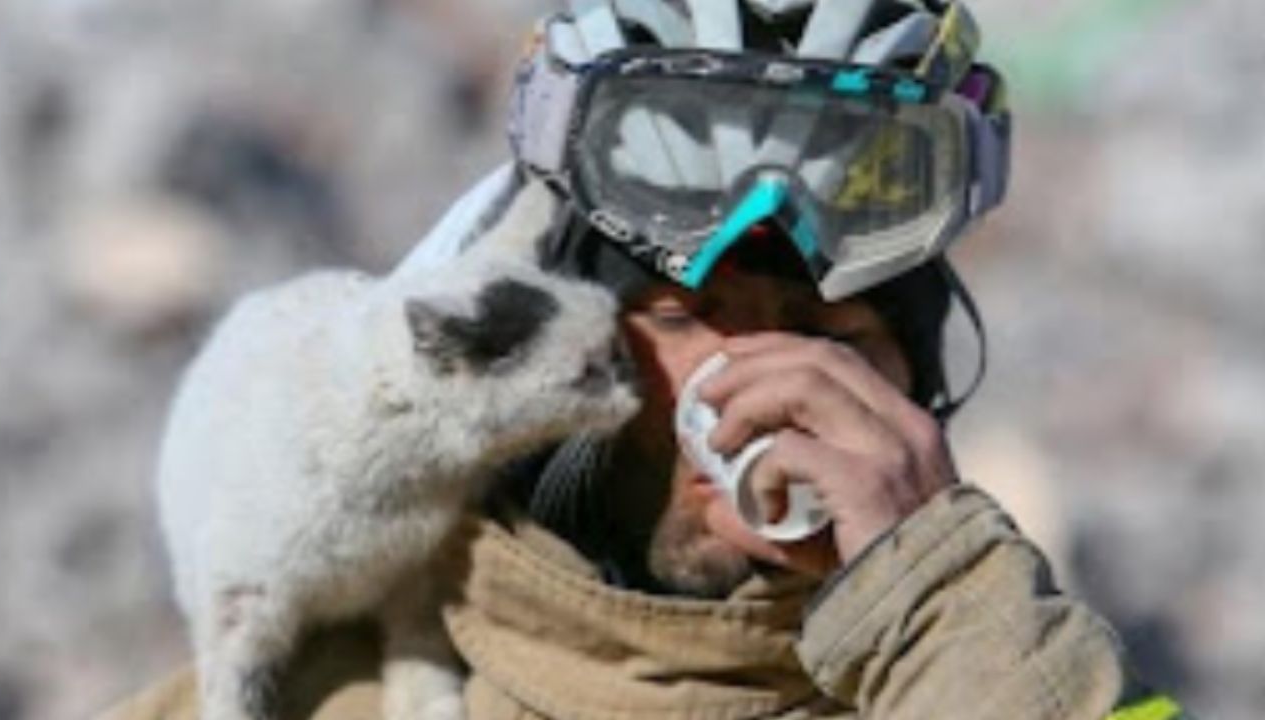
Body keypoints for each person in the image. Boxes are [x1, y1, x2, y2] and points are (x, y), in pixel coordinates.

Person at [102, 1, 1189, 718]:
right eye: (685, 315)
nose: (771, 379)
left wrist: (939, 601)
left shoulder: (997, 667)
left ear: (915, 389)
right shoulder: (305, 703)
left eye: (834, 336)